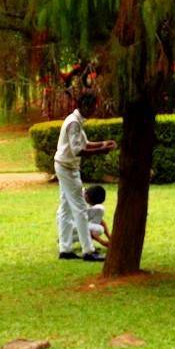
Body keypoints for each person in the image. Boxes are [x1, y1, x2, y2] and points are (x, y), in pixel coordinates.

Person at [54, 94, 114, 262]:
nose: (95, 110)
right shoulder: (73, 123)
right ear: (86, 106)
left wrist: (103, 144)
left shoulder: (76, 121)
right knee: (80, 208)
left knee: (65, 208)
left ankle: (65, 249)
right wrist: (101, 151)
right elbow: (77, 151)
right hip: (67, 168)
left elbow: (85, 144)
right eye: (94, 106)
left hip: (64, 166)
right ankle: (88, 251)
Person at [84, 185, 110, 250]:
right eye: (92, 203)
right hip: (72, 227)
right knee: (99, 229)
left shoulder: (88, 197)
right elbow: (84, 228)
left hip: (79, 224)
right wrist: (102, 242)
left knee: (100, 210)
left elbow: (100, 221)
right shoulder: (79, 200)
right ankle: (66, 240)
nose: (93, 205)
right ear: (87, 196)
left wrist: (110, 238)